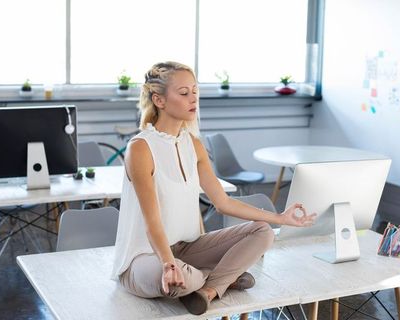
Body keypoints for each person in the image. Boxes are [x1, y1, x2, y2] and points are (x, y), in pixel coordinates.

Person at [111, 61, 316, 315]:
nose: (193, 99)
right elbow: (152, 221)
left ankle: (209, 290)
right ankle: (224, 278)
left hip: (187, 250)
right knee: (183, 280)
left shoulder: (193, 145)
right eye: (184, 93)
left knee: (264, 233)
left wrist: (279, 218)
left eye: (195, 91)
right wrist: (168, 264)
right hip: (144, 260)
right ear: (159, 100)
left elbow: (223, 202)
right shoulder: (140, 148)